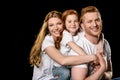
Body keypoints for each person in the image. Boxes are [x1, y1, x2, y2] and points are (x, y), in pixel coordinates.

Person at [29, 10, 97, 80]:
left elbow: (92, 34)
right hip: (44, 78)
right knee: (66, 73)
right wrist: (91, 58)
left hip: (57, 75)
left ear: (64, 24)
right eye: (51, 25)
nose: (56, 28)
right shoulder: (47, 41)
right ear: (47, 28)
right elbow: (62, 61)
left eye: (59, 23)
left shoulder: (65, 35)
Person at [70, 6, 113, 80]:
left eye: (97, 20)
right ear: (83, 26)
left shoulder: (105, 43)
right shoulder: (79, 48)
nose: (95, 24)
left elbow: (110, 73)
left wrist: (103, 75)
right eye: (89, 21)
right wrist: (102, 69)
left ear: (101, 22)